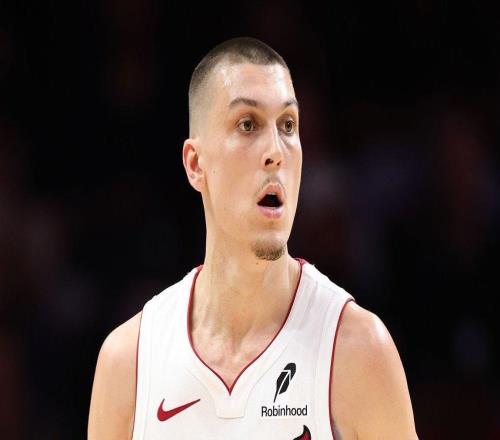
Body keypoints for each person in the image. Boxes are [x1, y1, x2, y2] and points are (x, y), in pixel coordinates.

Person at [88, 37, 418, 440]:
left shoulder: (357, 350)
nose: (275, 151)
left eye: (288, 125)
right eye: (248, 124)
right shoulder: (130, 362)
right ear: (195, 163)